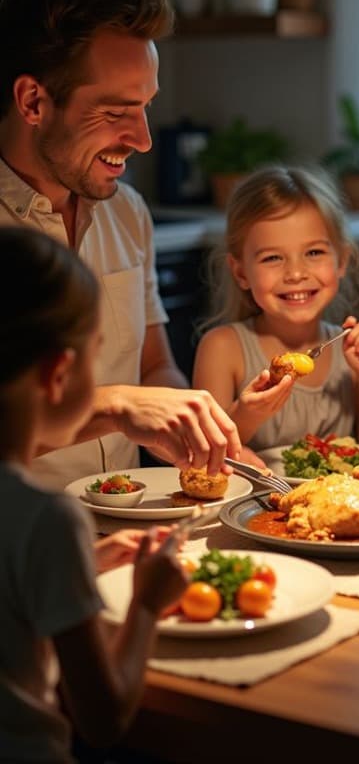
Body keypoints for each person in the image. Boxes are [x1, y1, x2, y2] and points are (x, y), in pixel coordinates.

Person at [0, 0, 245, 490]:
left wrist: (187, 419)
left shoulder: (127, 212)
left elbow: (155, 363)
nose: (143, 139)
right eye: (116, 112)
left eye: (147, 107)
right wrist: (116, 406)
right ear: (32, 101)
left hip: (124, 522)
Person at [0, 226, 189, 762]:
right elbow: (104, 719)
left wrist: (85, 563)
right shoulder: (49, 520)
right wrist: (148, 605)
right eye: (96, 354)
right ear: (59, 374)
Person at [192, 164, 359, 453]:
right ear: (240, 272)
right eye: (272, 258)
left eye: (313, 253)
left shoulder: (349, 350)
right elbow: (203, 450)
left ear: (341, 260)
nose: (295, 273)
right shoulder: (221, 348)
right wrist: (248, 414)